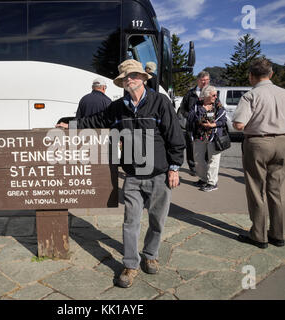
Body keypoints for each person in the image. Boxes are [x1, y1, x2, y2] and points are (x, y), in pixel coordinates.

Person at [56, 59, 185, 288]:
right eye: (125, 78)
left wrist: (174, 167)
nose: (129, 80)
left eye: (133, 76)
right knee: (130, 222)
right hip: (133, 175)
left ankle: (151, 255)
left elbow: (174, 135)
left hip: (159, 174)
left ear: (143, 78)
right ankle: (130, 264)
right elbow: (96, 120)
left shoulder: (159, 102)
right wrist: (70, 125)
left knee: (157, 221)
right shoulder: (118, 107)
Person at [232, 58, 285, 249]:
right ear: (271, 74)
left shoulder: (251, 95)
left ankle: (259, 235)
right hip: (282, 141)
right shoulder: (283, 93)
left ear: (251, 76)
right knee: (277, 190)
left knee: (256, 189)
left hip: (258, 142)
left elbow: (239, 124)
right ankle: (278, 234)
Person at [187, 85, 227, 192]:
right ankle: (204, 179)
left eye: (216, 94)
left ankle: (212, 182)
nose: (215, 96)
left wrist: (213, 125)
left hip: (214, 137)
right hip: (199, 136)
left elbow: (223, 120)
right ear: (205, 95)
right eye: (213, 95)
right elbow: (190, 118)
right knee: (198, 160)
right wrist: (202, 110)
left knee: (213, 160)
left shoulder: (218, 106)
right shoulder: (197, 105)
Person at [179, 71, 210, 176]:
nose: (205, 82)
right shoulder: (190, 93)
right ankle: (192, 167)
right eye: (203, 80)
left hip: (205, 126)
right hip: (191, 126)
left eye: (207, 80)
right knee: (191, 147)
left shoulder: (211, 93)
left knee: (206, 147)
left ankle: (204, 167)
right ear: (198, 81)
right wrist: (190, 117)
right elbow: (182, 109)